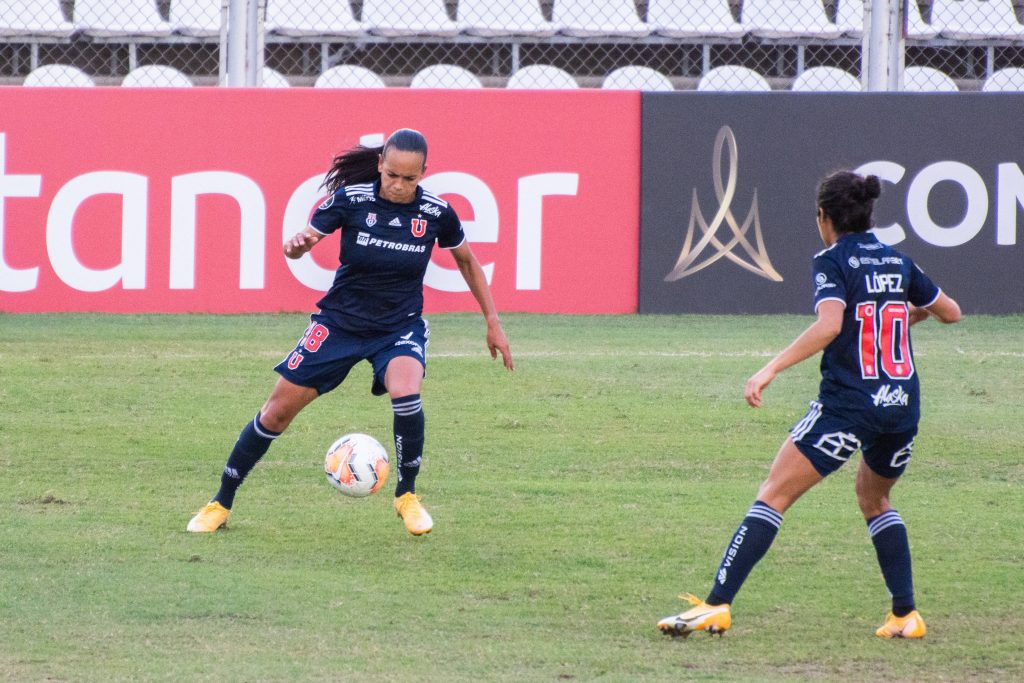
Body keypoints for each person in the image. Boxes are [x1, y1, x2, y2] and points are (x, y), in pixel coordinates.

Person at [657, 170, 961, 639]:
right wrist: (896, 321)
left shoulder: (831, 260)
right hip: (901, 404)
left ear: (824, 217)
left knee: (774, 493)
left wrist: (770, 369)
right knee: (875, 498)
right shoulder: (897, 261)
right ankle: (906, 616)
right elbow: (950, 312)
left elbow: (829, 326)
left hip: (850, 404)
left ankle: (716, 604)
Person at [188, 128, 514, 536]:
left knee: (407, 393)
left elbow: (467, 262)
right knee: (276, 412)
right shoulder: (352, 201)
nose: (398, 185)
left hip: (398, 327)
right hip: (339, 323)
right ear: (380, 164)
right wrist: (297, 246)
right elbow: (304, 241)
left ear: (424, 174)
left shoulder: (436, 213)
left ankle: (407, 496)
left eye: (409, 179)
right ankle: (220, 502)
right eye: (392, 174)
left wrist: (493, 323)